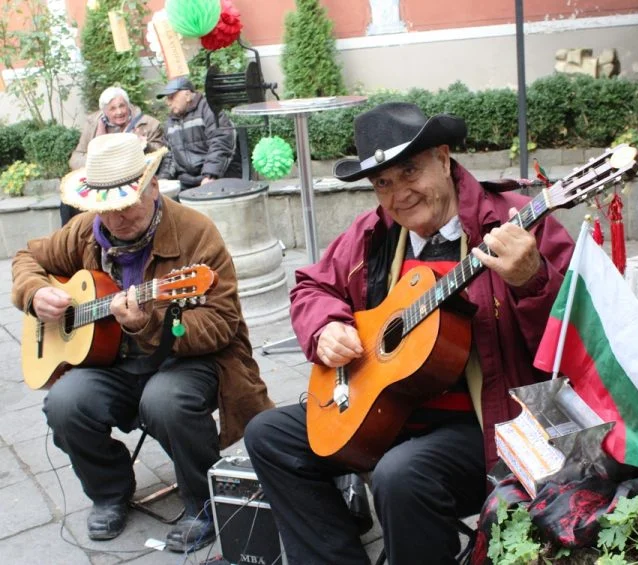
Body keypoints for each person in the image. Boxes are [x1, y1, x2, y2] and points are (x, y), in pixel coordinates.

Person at [244, 102, 575, 564]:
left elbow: (575, 334)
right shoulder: (373, 233)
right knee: (268, 435)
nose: (399, 194)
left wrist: (532, 280)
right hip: (385, 413)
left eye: (409, 171)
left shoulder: (515, 222)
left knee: (400, 475)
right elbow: (312, 287)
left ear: (443, 158)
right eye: (383, 183)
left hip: (485, 427)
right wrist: (325, 327)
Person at [12, 133, 273, 552]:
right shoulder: (84, 231)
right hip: (111, 363)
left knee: (165, 401)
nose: (116, 219)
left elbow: (221, 324)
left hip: (187, 360)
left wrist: (151, 324)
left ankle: (202, 503)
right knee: (64, 403)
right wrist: (35, 293)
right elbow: (28, 258)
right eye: (106, 209)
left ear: (152, 186)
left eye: (127, 205)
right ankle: (109, 492)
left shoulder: (195, 233)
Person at [63, 87, 165, 226]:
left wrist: (142, 146)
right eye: (113, 108)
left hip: (131, 181)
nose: (119, 112)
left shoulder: (149, 124)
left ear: (128, 105)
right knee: (67, 204)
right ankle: (75, 234)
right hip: (103, 181)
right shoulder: (93, 124)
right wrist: (98, 162)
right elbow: (76, 157)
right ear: (104, 111)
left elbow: (159, 154)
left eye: (122, 106)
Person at [156, 76, 243, 190]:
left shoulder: (209, 109)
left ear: (187, 95)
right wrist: (163, 179)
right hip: (186, 181)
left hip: (218, 175)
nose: (168, 103)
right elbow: (169, 155)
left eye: (171, 97)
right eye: (167, 99)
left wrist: (210, 175)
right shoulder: (170, 123)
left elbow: (221, 142)